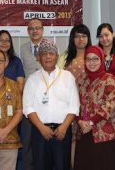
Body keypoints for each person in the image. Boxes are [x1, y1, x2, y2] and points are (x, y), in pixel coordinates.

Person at [23, 40, 80, 170]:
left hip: (62, 132)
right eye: (43, 54)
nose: (48, 56)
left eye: (51, 53)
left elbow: (74, 105)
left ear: (57, 56)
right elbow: (28, 107)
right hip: (40, 132)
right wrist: (41, 127)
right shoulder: (32, 79)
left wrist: (64, 127)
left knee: (62, 166)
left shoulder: (67, 77)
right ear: (38, 58)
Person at [74, 45, 115, 170]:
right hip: (83, 132)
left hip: (103, 134)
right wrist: (79, 121)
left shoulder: (108, 79)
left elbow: (109, 106)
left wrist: (90, 122)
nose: (91, 63)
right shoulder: (81, 80)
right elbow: (74, 103)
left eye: (95, 59)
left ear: (101, 60)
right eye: (88, 59)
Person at [57, 23, 92, 168]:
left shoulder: (93, 55)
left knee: (85, 141)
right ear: (72, 39)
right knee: (71, 140)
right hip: (68, 105)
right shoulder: (65, 57)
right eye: (77, 36)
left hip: (88, 105)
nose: (80, 39)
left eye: (84, 36)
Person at [19, 18, 45, 170]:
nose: (34, 31)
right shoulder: (22, 48)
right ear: (28, 31)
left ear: (42, 30)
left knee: (44, 136)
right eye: (31, 29)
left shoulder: (50, 46)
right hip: (28, 99)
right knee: (27, 138)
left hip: (46, 99)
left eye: (37, 28)